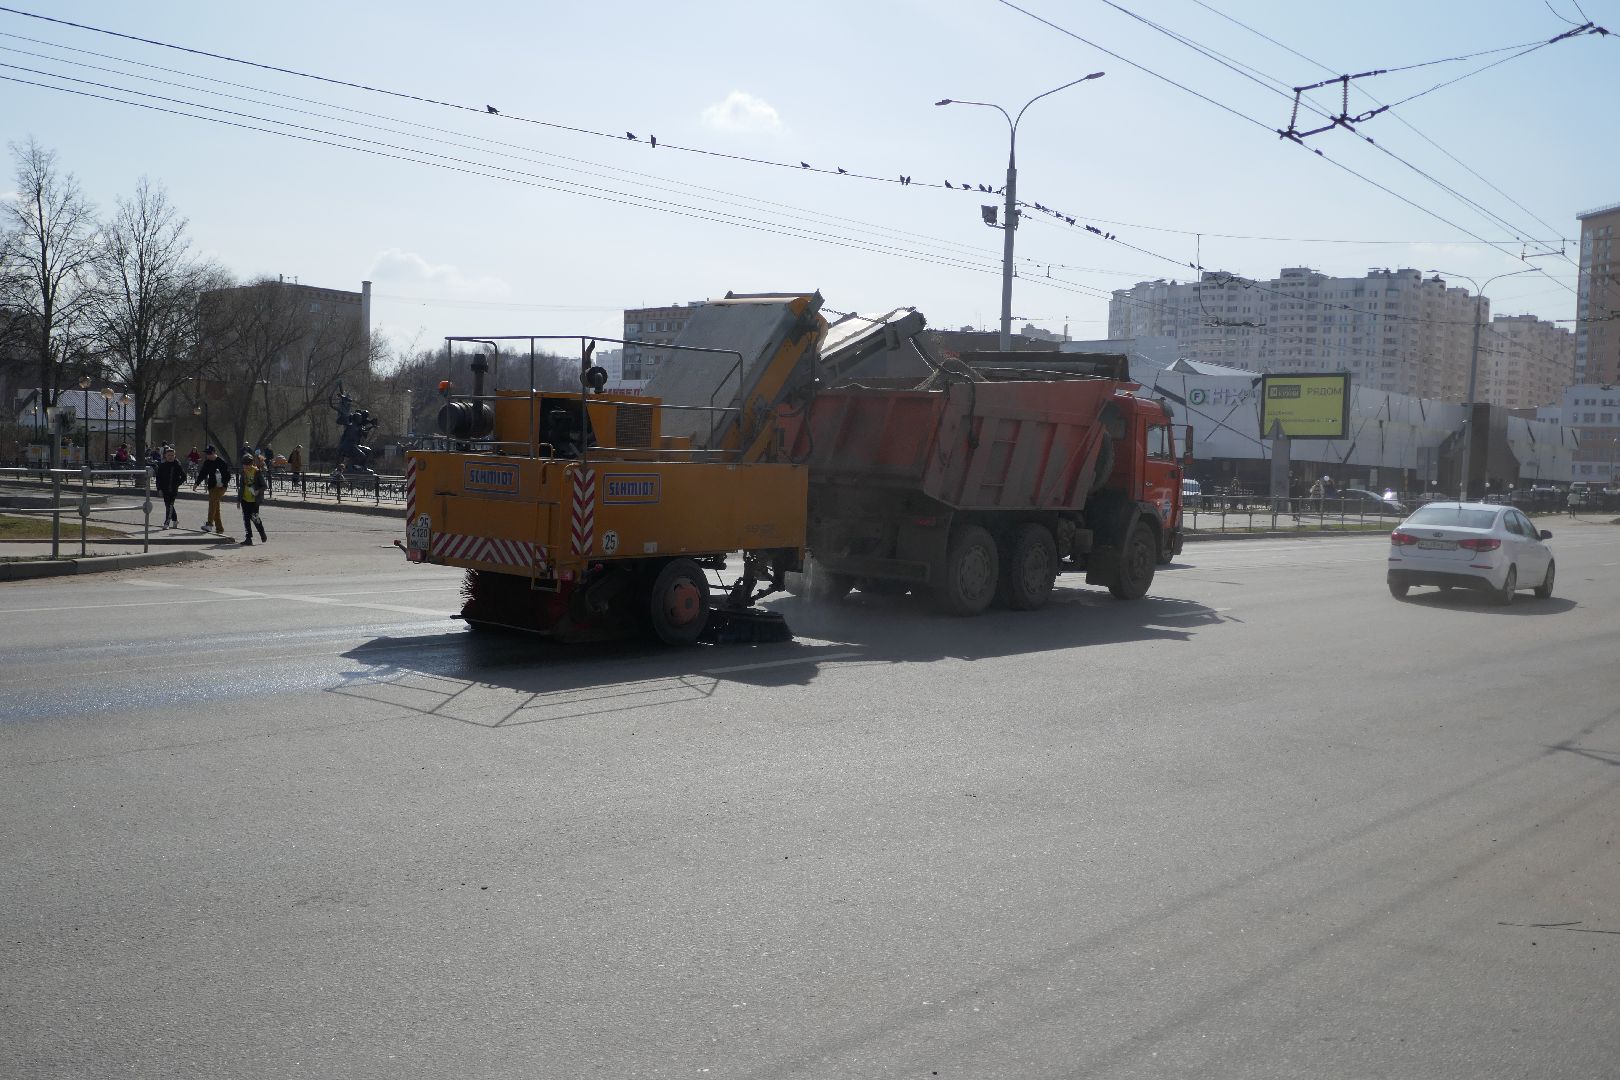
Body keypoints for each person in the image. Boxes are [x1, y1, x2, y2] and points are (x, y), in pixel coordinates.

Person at [194, 445, 231, 535]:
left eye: (209, 453)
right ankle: (219, 529)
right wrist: (197, 483)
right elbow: (203, 473)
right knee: (215, 507)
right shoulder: (207, 462)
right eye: (207, 453)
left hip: (221, 487)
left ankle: (209, 524)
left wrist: (223, 482)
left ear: (214, 453)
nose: (208, 455)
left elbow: (227, 475)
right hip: (212, 487)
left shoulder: (221, 462)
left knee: (212, 504)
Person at [238, 452, 268, 545]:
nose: (245, 467)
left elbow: (264, 486)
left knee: (255, 518)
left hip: (254, 500)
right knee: (246, 518)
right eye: (244, 465)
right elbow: (241, 486)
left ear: (251, 464)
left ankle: (262, 533)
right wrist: (239, 500)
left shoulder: (257, 472)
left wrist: (258, 491)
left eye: (247, 465)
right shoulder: (243, 472)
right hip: (245, 499)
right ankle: (248, 538)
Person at [154, 446, 186, 529]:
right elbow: (158, 478)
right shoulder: (162, 465)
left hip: (173, 490)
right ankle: (175, 520)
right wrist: (159, 489)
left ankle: (166, 523)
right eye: (169, 455)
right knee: (168, 505)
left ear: (175, 456)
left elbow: (184, 477)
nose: (170, 457)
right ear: (165, 456)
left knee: (170, 505)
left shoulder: (177, 465)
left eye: (172, 455)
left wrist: (177, 484)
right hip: (164, 489)